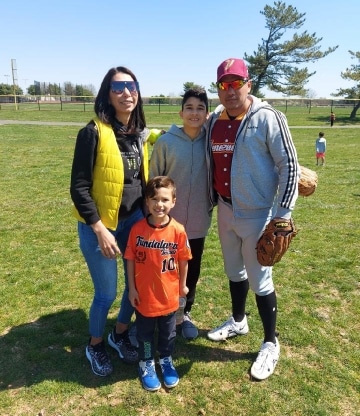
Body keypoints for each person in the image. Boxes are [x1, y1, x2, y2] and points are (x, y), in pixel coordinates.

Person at [205, 58, 299, 380]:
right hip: (225, 209)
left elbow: (290, 164)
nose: (230, 91)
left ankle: (271, 342)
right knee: (234, 271)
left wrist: (283, 214)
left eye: (236, 83)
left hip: (258, 213)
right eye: (223, 85)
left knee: (260, 280)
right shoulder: (215, 120)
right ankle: (238, 320)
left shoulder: (268, 117)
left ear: (249, 85)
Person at [70, 66, 162, 377]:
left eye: (131, 85)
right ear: (107, 95)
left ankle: (119, 333)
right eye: (118, 87)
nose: (126, 92)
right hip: (101, 226)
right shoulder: (92, 132)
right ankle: (95, 344)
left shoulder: (139, 132)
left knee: (135, 284)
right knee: (106, 292)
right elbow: (78, 187)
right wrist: (99, 229)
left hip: (134, 221)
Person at [149, 88, 212, 340]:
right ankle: (155, 313)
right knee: (162, 268)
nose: (194, 113)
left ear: (207, 114)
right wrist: (154, 215)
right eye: (189, 107)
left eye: (200, 108)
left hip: (198, 219)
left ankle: (183, 314)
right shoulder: (166, 142)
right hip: (166, 222)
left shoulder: (211, 140)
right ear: (181, 112)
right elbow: (153, 181)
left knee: (190, 270)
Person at [125, 176, 192, 391]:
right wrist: (132, 289)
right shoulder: (137, 230)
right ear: (146, 201)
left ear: (173, 201)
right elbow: (130, 259)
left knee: (168, 333)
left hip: (169, 297)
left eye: (164, 199)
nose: (159, 205)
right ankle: (146, 362)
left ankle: (165, 359)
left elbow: (183, 261)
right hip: (144, 297)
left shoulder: (178, 231)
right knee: (144, 334)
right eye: (154, 199)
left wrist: (183, 286)